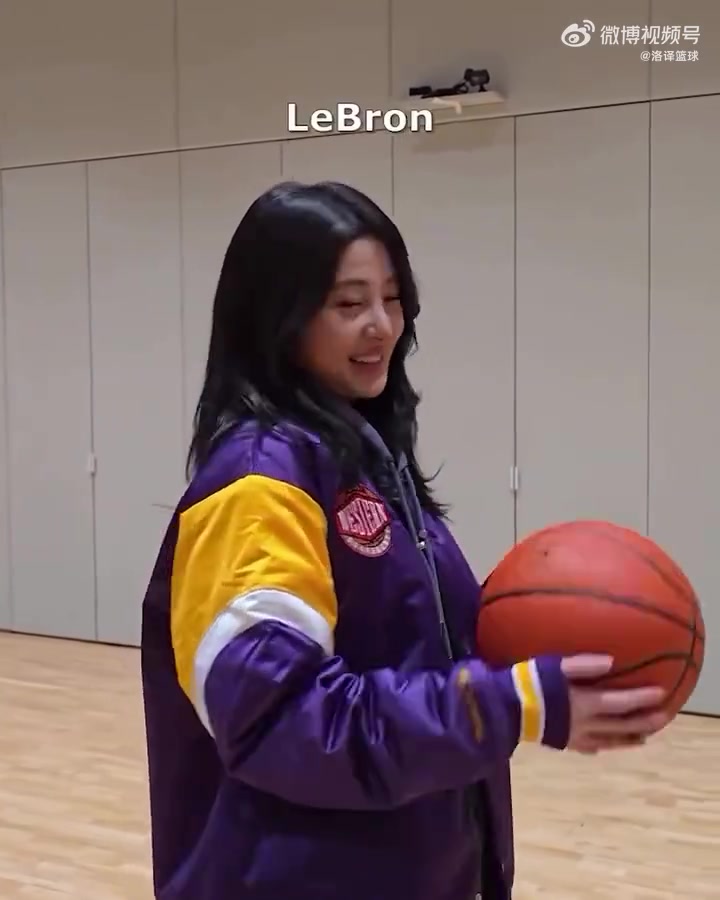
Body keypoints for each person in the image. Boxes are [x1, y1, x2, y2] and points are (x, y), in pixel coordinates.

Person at [140, 180, 668, 900]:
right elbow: (282, 722)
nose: (382, 326)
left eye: (393, 299)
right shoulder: (260, 485)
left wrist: (554, 645)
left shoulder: (365, 459)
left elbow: (416, 653)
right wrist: (508, 705)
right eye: (348, 304)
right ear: (277, 317)